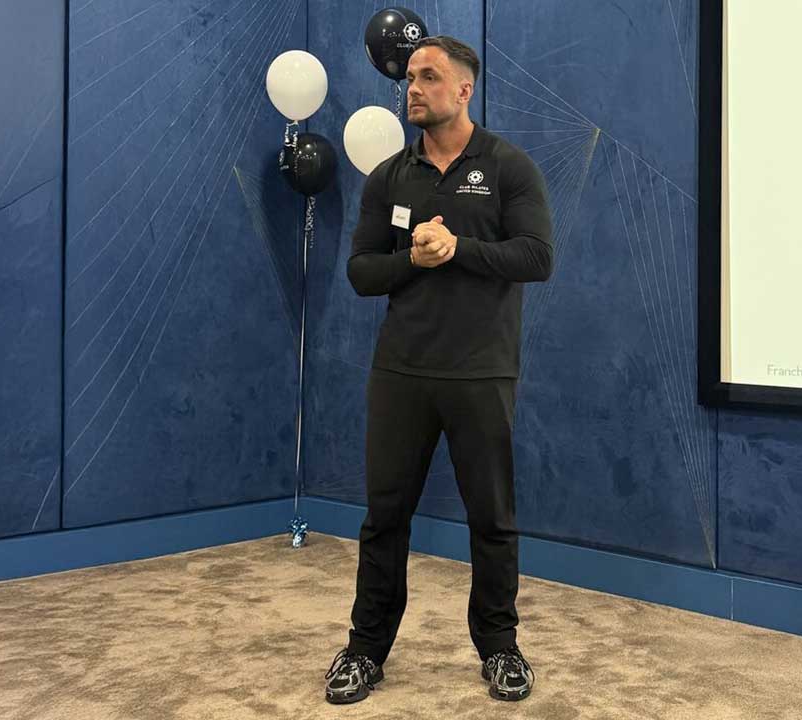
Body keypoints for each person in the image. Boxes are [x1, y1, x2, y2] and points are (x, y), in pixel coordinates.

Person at [323, 35, 553, 704]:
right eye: (410, 78)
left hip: (481, 371)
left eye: (429, 77)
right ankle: (365, 650)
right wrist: (413, 262)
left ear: (464, 89)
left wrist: (459, 249)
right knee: (384, 518)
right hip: (402, 372)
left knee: (492, 520)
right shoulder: (389, 177)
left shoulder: (509, 168)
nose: (413, 88)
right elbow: (362, 272)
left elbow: (537, 257)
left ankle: (500, 647)